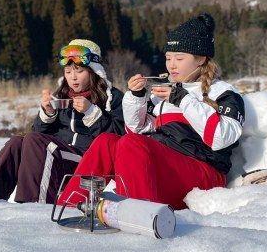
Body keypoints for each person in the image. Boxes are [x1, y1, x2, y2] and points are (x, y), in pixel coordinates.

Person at [57, 14, 244, 210]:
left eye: (179, 58)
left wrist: (182, 100)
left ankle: (139, 214)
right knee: (106, 141)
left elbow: (221, 137)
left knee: (131, 144)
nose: (171, 64)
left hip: (203, 174)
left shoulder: (223, 93)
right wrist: (137, 97)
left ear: (201, 58)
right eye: (168, 58)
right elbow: (135, 131)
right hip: (165, 169)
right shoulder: (165, 94)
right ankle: (69, 206)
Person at [0, 39, 125, 204]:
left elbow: (118, 137)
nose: (72, 77)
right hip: (57, 155)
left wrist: (91, 112)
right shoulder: (61, 95)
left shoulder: (112, 97)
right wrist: (47, 114)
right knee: (17, 142)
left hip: (86, 160)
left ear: (93, 70)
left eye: (79, 71)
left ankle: (33, 206)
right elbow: (36, 136)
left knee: (34, 140)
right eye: (67, 71)